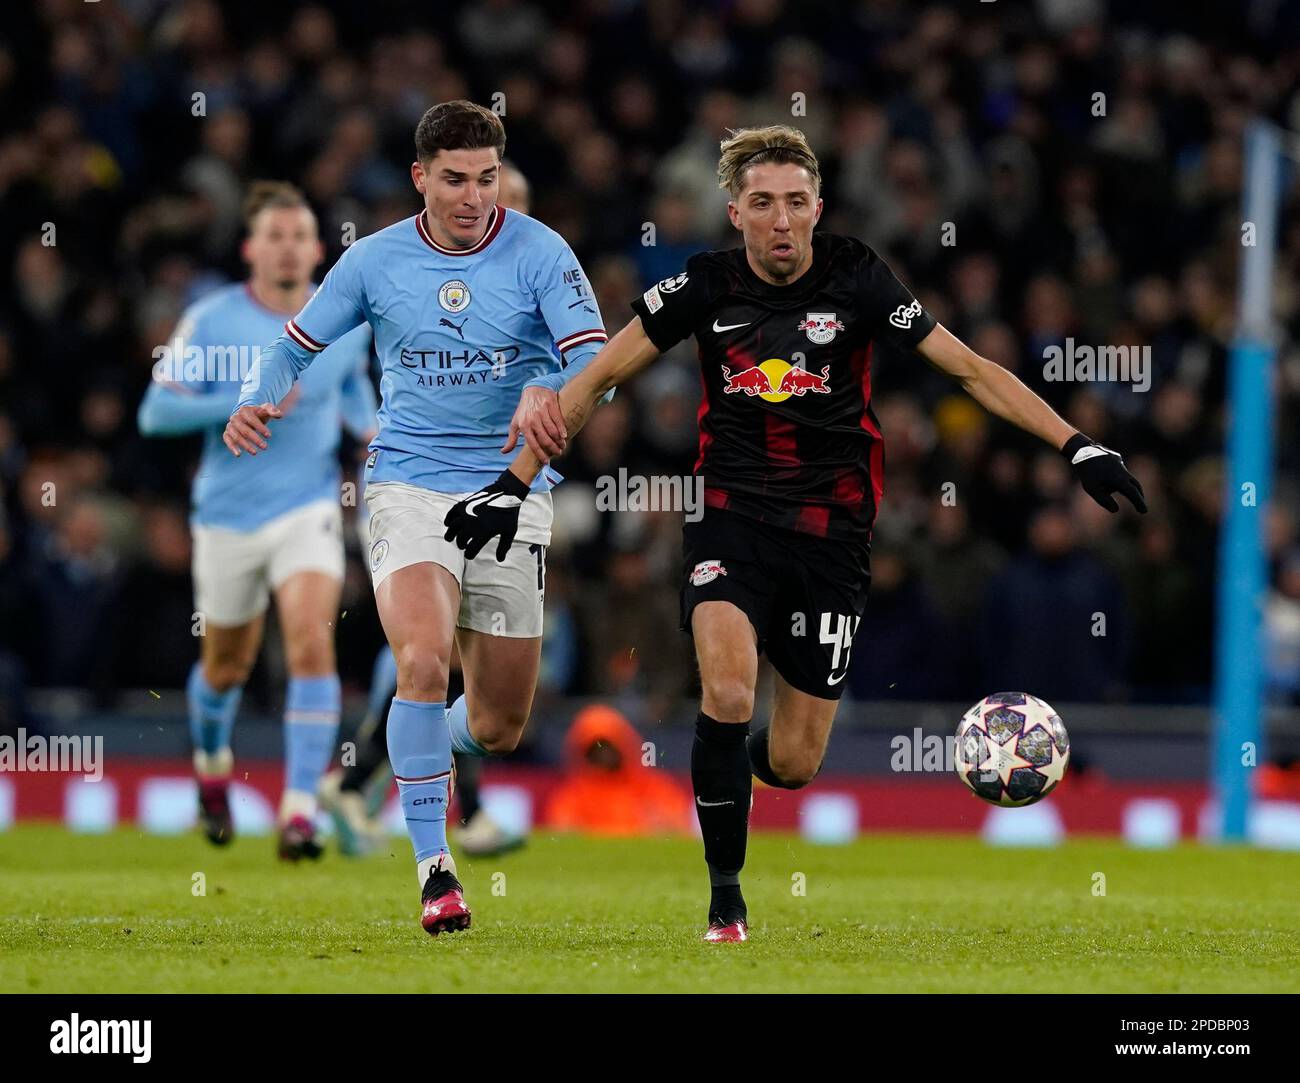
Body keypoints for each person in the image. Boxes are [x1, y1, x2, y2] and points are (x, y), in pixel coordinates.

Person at [443, 125, 1147, 942]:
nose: (781, 220)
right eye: (763, 204)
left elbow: (970, 369)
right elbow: (597, 376)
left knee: (794, 762)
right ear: (736, 212)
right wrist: (512, 483)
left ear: (820, 208)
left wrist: (1077, 442)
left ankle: (722, 774)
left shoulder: (859, 276)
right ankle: (725, 902)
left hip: (832, 536)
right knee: (730, 691)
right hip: (730, 519)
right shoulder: (704, 286)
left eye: (796, 203)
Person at [224, 103, 608, 934]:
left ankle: (412, 756)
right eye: (454, 179)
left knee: (501, 724)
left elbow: (598, 363)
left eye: (485, 178)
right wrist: (259, 398)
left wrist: (555, 390)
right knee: (423, 662)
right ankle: (436, 871)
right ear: (420, 178)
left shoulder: (543, 252)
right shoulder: (374, 259)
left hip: (512, 490)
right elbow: (294, 344)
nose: (472, 197)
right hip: (407, 484)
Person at [138, 181, 377, 860]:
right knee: (225, 666)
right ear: (250, 248)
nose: (289, 246)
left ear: (317, 248)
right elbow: (155, 412)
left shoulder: (342, 322)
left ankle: (299, 809)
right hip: (227, 517)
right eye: (274, 234)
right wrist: (239, 403)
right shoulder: (211, 319)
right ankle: (212, 765)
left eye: (300, 234)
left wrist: (375, 432)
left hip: (307, 509)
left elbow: (354, 387)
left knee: (310, 642)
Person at [317, 160, 537, 860]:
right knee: (427, 662)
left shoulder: (535, 279)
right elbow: (338, 353)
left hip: (498, 492)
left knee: (437, 672)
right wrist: (364, 425)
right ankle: (456, 816)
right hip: (411, 484)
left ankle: (356, 782)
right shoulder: (398, 273)